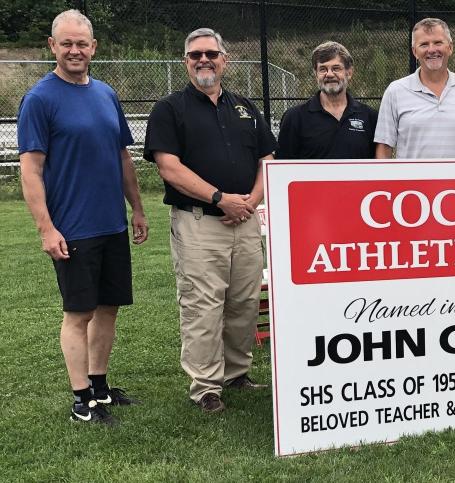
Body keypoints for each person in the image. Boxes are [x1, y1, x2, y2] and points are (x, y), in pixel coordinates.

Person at [18, 9, 148, 425]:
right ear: (52, 47)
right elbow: (31, 169)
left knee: (107, 308)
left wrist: (138, 208)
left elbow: (121, 155)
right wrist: (46, 228)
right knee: (78, 314)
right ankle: (81, 402)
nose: (75, 50)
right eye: (66, 43)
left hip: (111, 224)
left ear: (93, 48)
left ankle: (99, 386)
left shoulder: (106, 94)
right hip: (72, 228)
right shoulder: (40, 98)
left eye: (82, 44)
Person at [144, 28, 276, 413]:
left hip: (246, 221)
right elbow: (168, 166)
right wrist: (220, 199)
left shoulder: (245, 107)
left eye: (211, 54)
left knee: (244, 302)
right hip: (199, 222)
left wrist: (251, 199)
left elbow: (267, 158)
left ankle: (237, 372)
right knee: (203, 304)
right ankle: (206, 386)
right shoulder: (170, 109)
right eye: (195, 54)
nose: (204, 60)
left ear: (225, 60)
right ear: (186, 62)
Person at [374, 17, 455, 159]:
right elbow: (384, 146)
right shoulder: (395, 91)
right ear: (415, 51)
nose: (432, 50)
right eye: (424, 44)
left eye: (438, 42)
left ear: (450, 47)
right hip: (412, 181)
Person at [276, 41, 377, 159]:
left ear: (349, 73)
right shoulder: (294, 118)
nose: (329, 74)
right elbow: (283, 169)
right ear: (316, 74)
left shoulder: (370, 117)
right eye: (323, 69)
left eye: (336, 68)